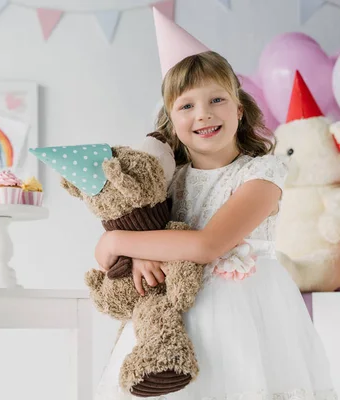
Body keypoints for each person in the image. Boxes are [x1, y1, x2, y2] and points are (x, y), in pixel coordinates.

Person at [93, 10, 337, 400]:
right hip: (180, 319)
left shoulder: (262, 174)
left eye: (216, 99)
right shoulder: (170, 182)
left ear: (239, 110)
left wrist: (116, 242)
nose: (203, 113)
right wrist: (138, 254)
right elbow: (143, 241)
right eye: (186, 106)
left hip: (247, 320)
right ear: (171, 123)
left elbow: (208, 245)